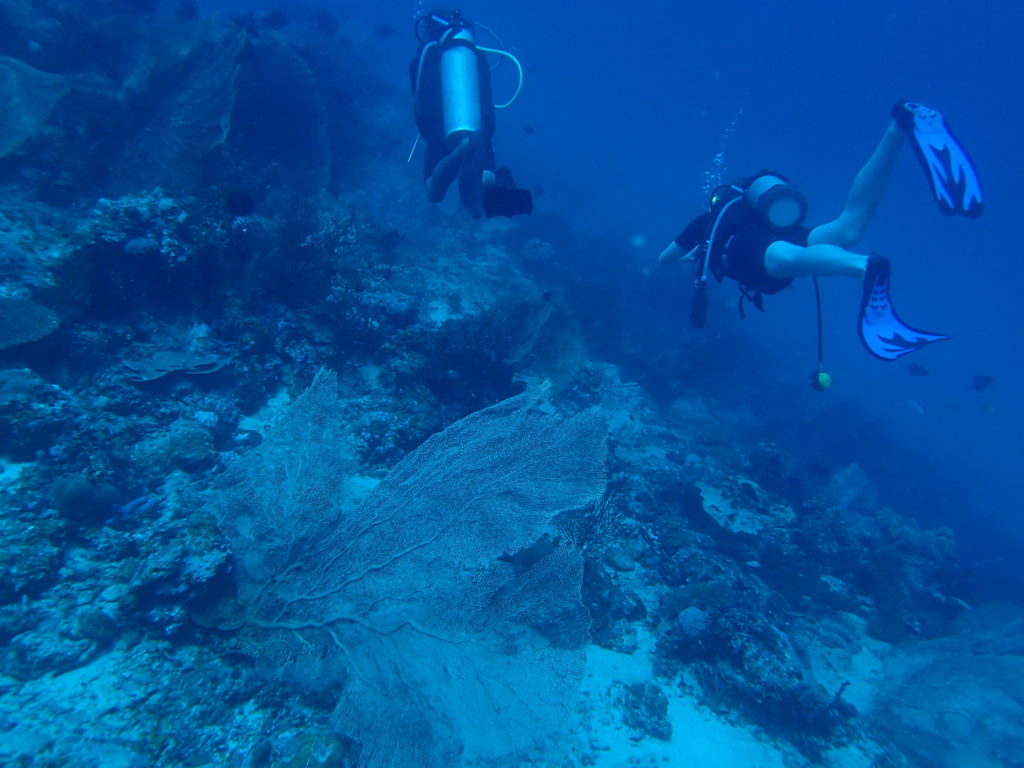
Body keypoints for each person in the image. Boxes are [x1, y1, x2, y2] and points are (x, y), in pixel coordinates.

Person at [659, 102, 983, 364]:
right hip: (784, 232)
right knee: (849, 225)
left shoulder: (708, 223)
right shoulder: (752, 217)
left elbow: (664, 259)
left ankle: (862, 267)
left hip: (750, 249)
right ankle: (897, 128)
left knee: (793, 259)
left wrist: (695, 249)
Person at [410, 8, 533, 219]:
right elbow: (486, 94)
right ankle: (496, 183)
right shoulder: (476, 55)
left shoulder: (427, 53)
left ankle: (461, 151)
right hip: (479, 123)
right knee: (481, 176)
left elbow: (420, 98)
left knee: (434, 192)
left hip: (441, 123)